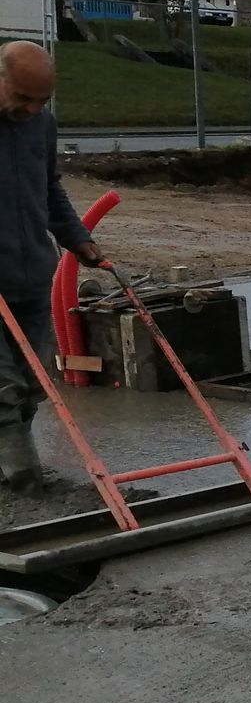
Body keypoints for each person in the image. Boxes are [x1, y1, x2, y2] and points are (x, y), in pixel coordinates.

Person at [0, 41, 105, 493]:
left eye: (41, 101)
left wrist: (77, 238)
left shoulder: (40, 125)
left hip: (31, 273)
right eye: (23, 98)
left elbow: (49, 189)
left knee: (35, 377)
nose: (31, 108)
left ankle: (10, 465)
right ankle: (22, 477)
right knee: (1, 386)